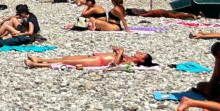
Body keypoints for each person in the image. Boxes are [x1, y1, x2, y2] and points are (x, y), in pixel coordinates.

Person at [25, 47, 153, 69]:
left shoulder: (133, 65)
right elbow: (117, 57)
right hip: (96, 56)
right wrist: (117, 51)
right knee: (66, 57)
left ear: (142, 60)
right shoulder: (129, 58)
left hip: (99, 61)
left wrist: (120, 53)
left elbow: (115, 64)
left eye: (142, 54)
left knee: (66, 62)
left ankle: (36, 64)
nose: (139, 52)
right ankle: (39, 59)